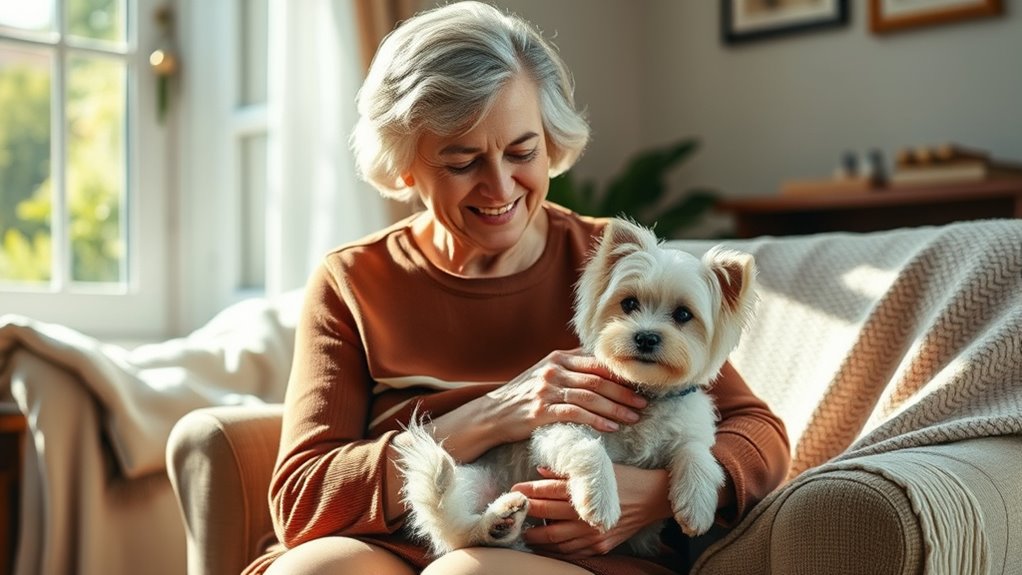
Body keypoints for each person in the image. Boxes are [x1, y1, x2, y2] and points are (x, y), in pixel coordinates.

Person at [247, 2, 790, 574]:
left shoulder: (619, 268)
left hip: (576, 549)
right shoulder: (352, 281)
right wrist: (492, 414)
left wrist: (648, 497)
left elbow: (759, 433)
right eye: (462, 162)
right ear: (404, 165)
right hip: (401, 532)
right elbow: (302, 500)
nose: (500, 186)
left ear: (552, 142)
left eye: (522, 152)